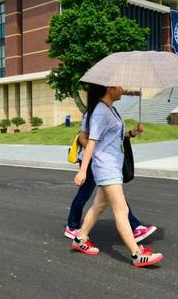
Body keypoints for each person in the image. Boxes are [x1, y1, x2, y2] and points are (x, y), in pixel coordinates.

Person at [71, 84, 164, 268]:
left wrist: (132, 133)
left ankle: (80, 238)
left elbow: (113, 137)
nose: (123, 89)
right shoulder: (100, 112)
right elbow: (91, 142)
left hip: (113, 165)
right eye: (119, 86)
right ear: (109, 88)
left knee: (99, 205)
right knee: (122, 210)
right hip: (106, 167)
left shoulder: (109, 109)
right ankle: (137, 254)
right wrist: (82, 170)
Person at [64, 112, 157, 242]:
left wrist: (133, 132)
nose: (121, 91)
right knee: (86, 193)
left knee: (113, 196)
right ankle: (72, 226)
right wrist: (86, 167)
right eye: (117, 89)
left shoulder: (111, 111)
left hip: (106, 162)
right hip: (93, 160)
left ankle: (135, 228)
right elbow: (82, 138)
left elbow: (115, 137)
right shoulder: (94, 111)